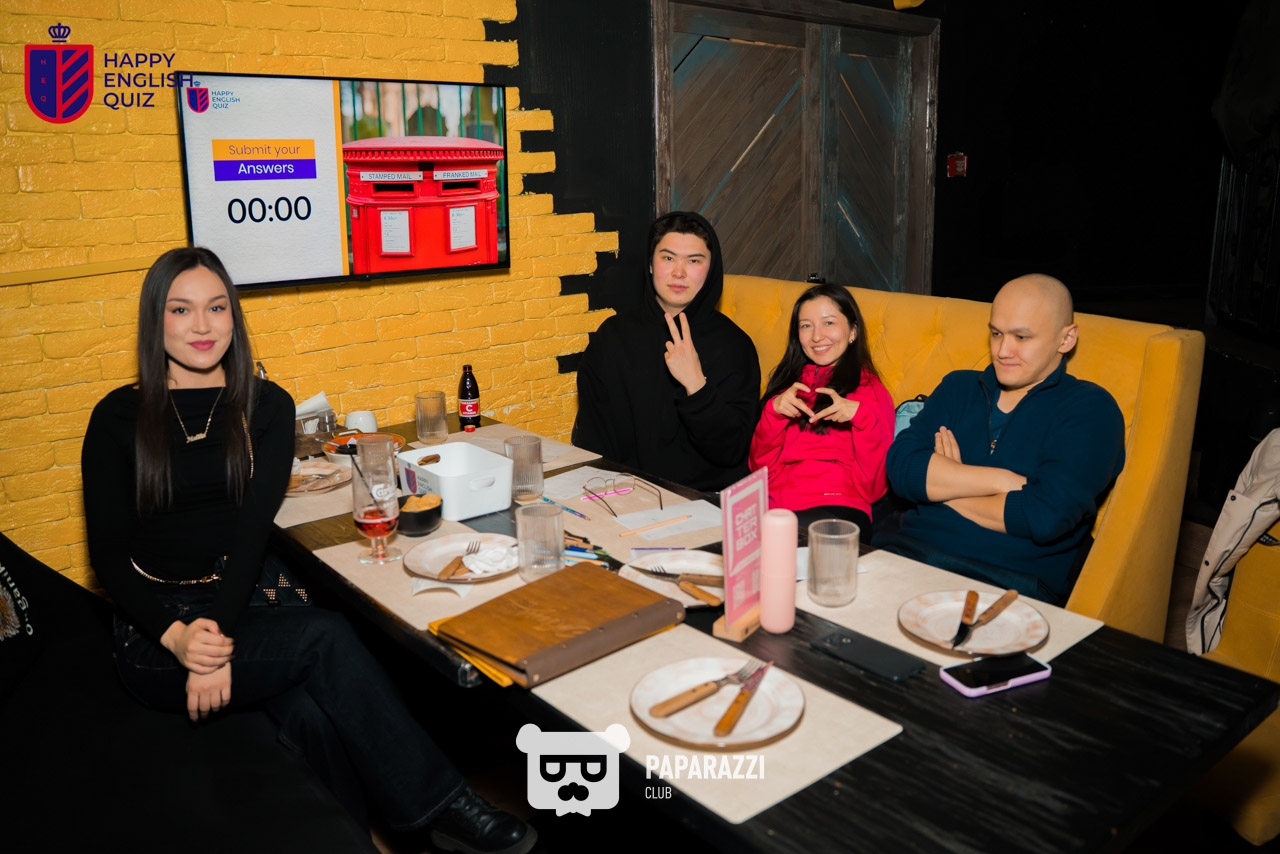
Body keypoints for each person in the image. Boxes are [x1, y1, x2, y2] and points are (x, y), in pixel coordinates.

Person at [81, 247, 535, 854]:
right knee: (326, 639)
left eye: (217, 307)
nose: (202, 325)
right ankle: (447, 808)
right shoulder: (117, 417)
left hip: (245, 602)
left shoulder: (266, 406)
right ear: (154, 319)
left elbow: (251, 534)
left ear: (233, 315)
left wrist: (216, 640)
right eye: (181, 309)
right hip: (155, 628)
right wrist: (184, 643)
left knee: (313, 713)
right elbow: (109, 558)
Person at [883, 274, 1125, 605]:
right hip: (908, 557)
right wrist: (1003, 481)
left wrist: (945, 486)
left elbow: (1045, 515)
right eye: (996, 333)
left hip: (1008, 586)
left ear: (1066, 338)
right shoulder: (958, 388)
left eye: (1021, 337)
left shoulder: (1090, 408)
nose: (1002, 351)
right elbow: (901, 468)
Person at [572, 211, 760, 492]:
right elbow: (593, 437)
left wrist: (696, 386)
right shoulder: (612, 336)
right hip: (620, 492)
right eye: (668, 258)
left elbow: (731, 451)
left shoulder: (734, 346)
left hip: (703, 498)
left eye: (694, 261)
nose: (679, 272)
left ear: (710, 270)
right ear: (650, 264)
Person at [748, 283, 894, 533]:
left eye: (828, 323)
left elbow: (874, 489)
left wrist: (862, 419)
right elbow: (760, 473)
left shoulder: (871, 390)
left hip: (838, 508)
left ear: (853, 331)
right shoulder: (787, 384)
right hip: (776, 508)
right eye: (806, 325)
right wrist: (773, 413)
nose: (816, 336)